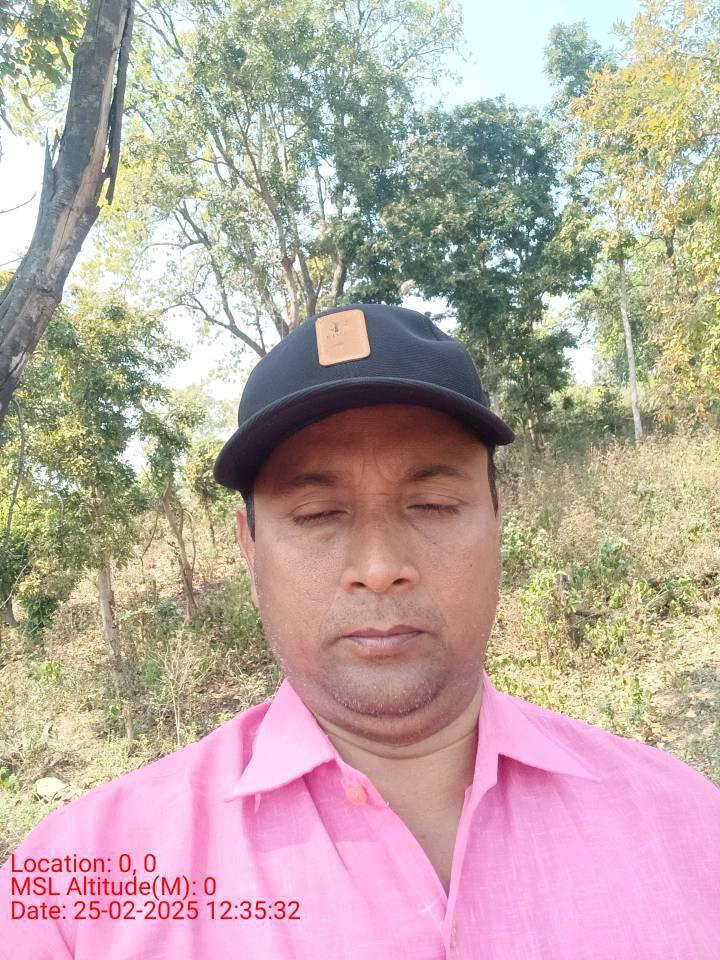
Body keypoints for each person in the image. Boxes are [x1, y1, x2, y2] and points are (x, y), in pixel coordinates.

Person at [1, 303, 718, 959]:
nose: (378, 570)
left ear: (497, 518)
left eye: (432, 504)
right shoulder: (74, 894)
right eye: (317, 515)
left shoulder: (690, 827)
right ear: (249, 546)